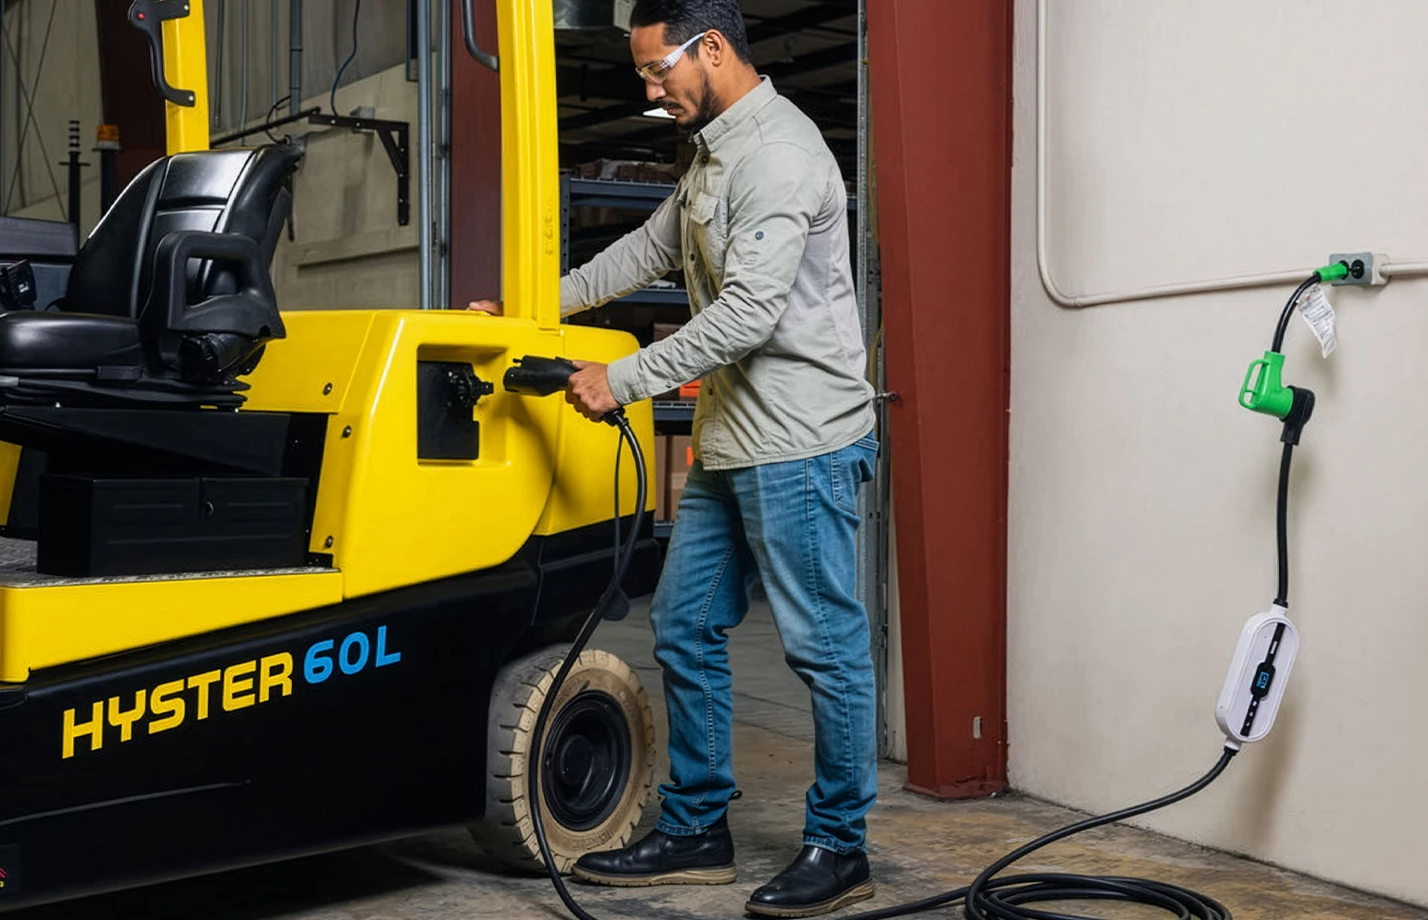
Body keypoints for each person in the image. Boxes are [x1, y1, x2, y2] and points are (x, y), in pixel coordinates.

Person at [470, 1, 878, 915]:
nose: (649, 89)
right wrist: (530, 309)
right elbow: (643, 252)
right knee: (685, 625)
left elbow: (747, 316)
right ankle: (698, 828)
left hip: (802, 443)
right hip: (735, 437)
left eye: (659, 72)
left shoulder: (779, 156)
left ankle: (841, 845)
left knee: (826, 650)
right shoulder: (713, 153)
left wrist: (622, 378)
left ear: (715, 50)